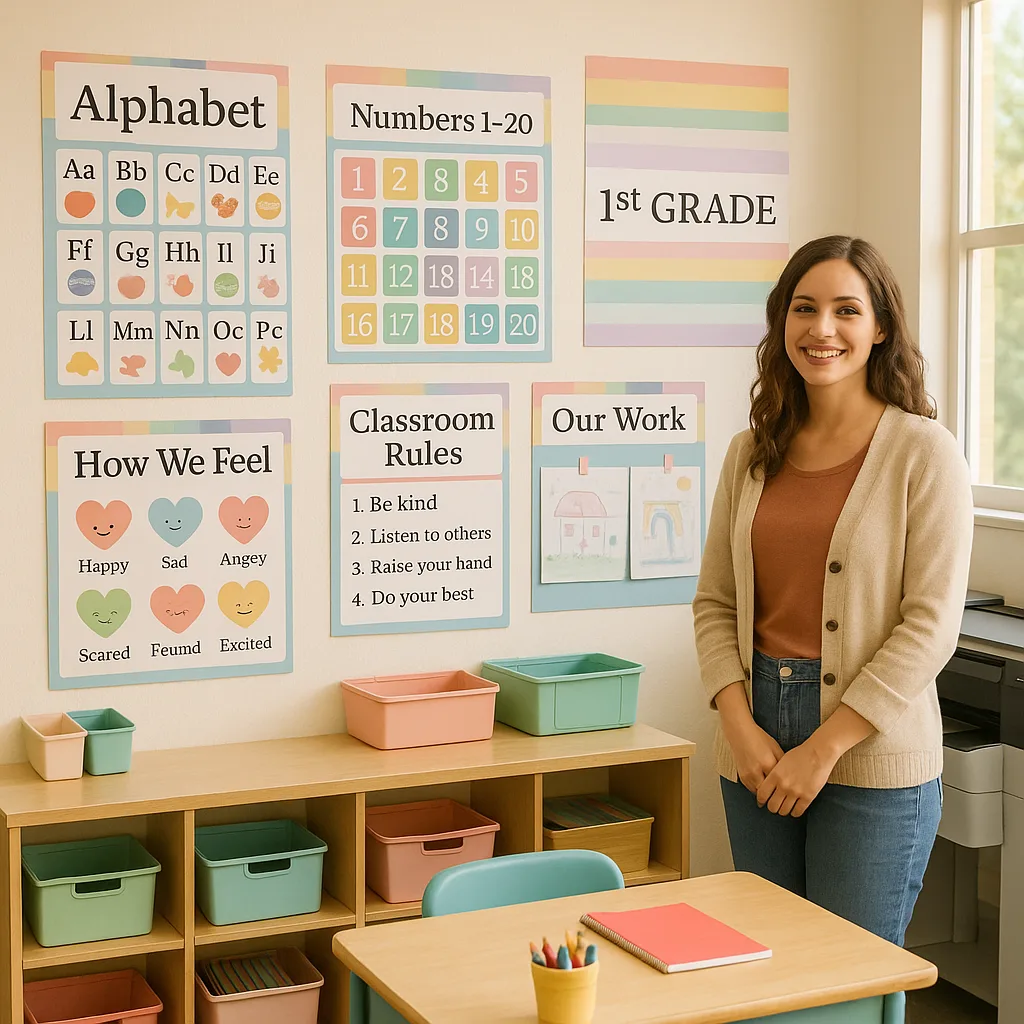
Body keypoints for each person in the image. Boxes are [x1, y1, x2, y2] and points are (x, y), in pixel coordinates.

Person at [692, 235, 974, 945]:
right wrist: (738, 724)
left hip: (870, 751)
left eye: (847, 310)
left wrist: (824, 748)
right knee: (769, 973)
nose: (822, 329)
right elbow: (716, 604)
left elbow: (930, 625)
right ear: (781, 322)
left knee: (850, 981)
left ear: (881, 327)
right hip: (754, 736)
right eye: (804, 308)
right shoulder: (750, 452)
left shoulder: (923, 451)